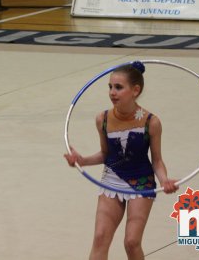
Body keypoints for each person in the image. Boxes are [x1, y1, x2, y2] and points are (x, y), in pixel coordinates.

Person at [64, 62, 177, 259]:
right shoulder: (103, 119)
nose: (112, 92)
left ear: (135, 90)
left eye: (118, 87)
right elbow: (106, 154)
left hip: (141, 182)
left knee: (132, 242)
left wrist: (164, 180)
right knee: (100, 237)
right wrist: (82, 160)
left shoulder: (152, 122)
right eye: (110, 87)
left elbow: (157, 160)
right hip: (112, 178)